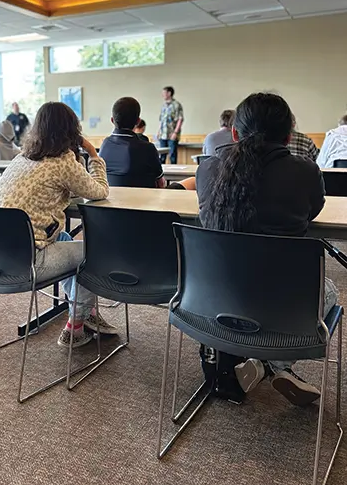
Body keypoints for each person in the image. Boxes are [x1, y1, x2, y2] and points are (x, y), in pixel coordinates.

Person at [196, 92, 337, 406]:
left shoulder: (207, 171)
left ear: (234, 133)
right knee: (329, 291)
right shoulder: (305, 172)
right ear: (289, 136)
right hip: (281, 304)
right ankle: (277, 363)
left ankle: (259, 364)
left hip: (211, 298)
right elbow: (313, 211)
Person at [0, 102, 113, 348]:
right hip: (27, 261)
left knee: (63, 238)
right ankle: (75, 327)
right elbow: (100, 192)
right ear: (72, 130)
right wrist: (95, 156)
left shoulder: (22, 158)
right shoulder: (63, 162)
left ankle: (87, 312)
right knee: (94, 254)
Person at [99, 97, 165, 188]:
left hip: (111, 199)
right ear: (138, 121)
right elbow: (161, 183)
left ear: (112, 120)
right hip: (145, 200)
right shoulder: (148, 148)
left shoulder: (105, 145)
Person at [158, 86, 183, 164]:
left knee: (172, 155)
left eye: (164, 93)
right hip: (163, 135)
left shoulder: (177, 105)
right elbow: (161, 120)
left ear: (169, 93)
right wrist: (159, 131)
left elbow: (180, 119)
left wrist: (175, 132)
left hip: (172, 134)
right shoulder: (163, 106)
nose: (163, 95)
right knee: (162, 155)